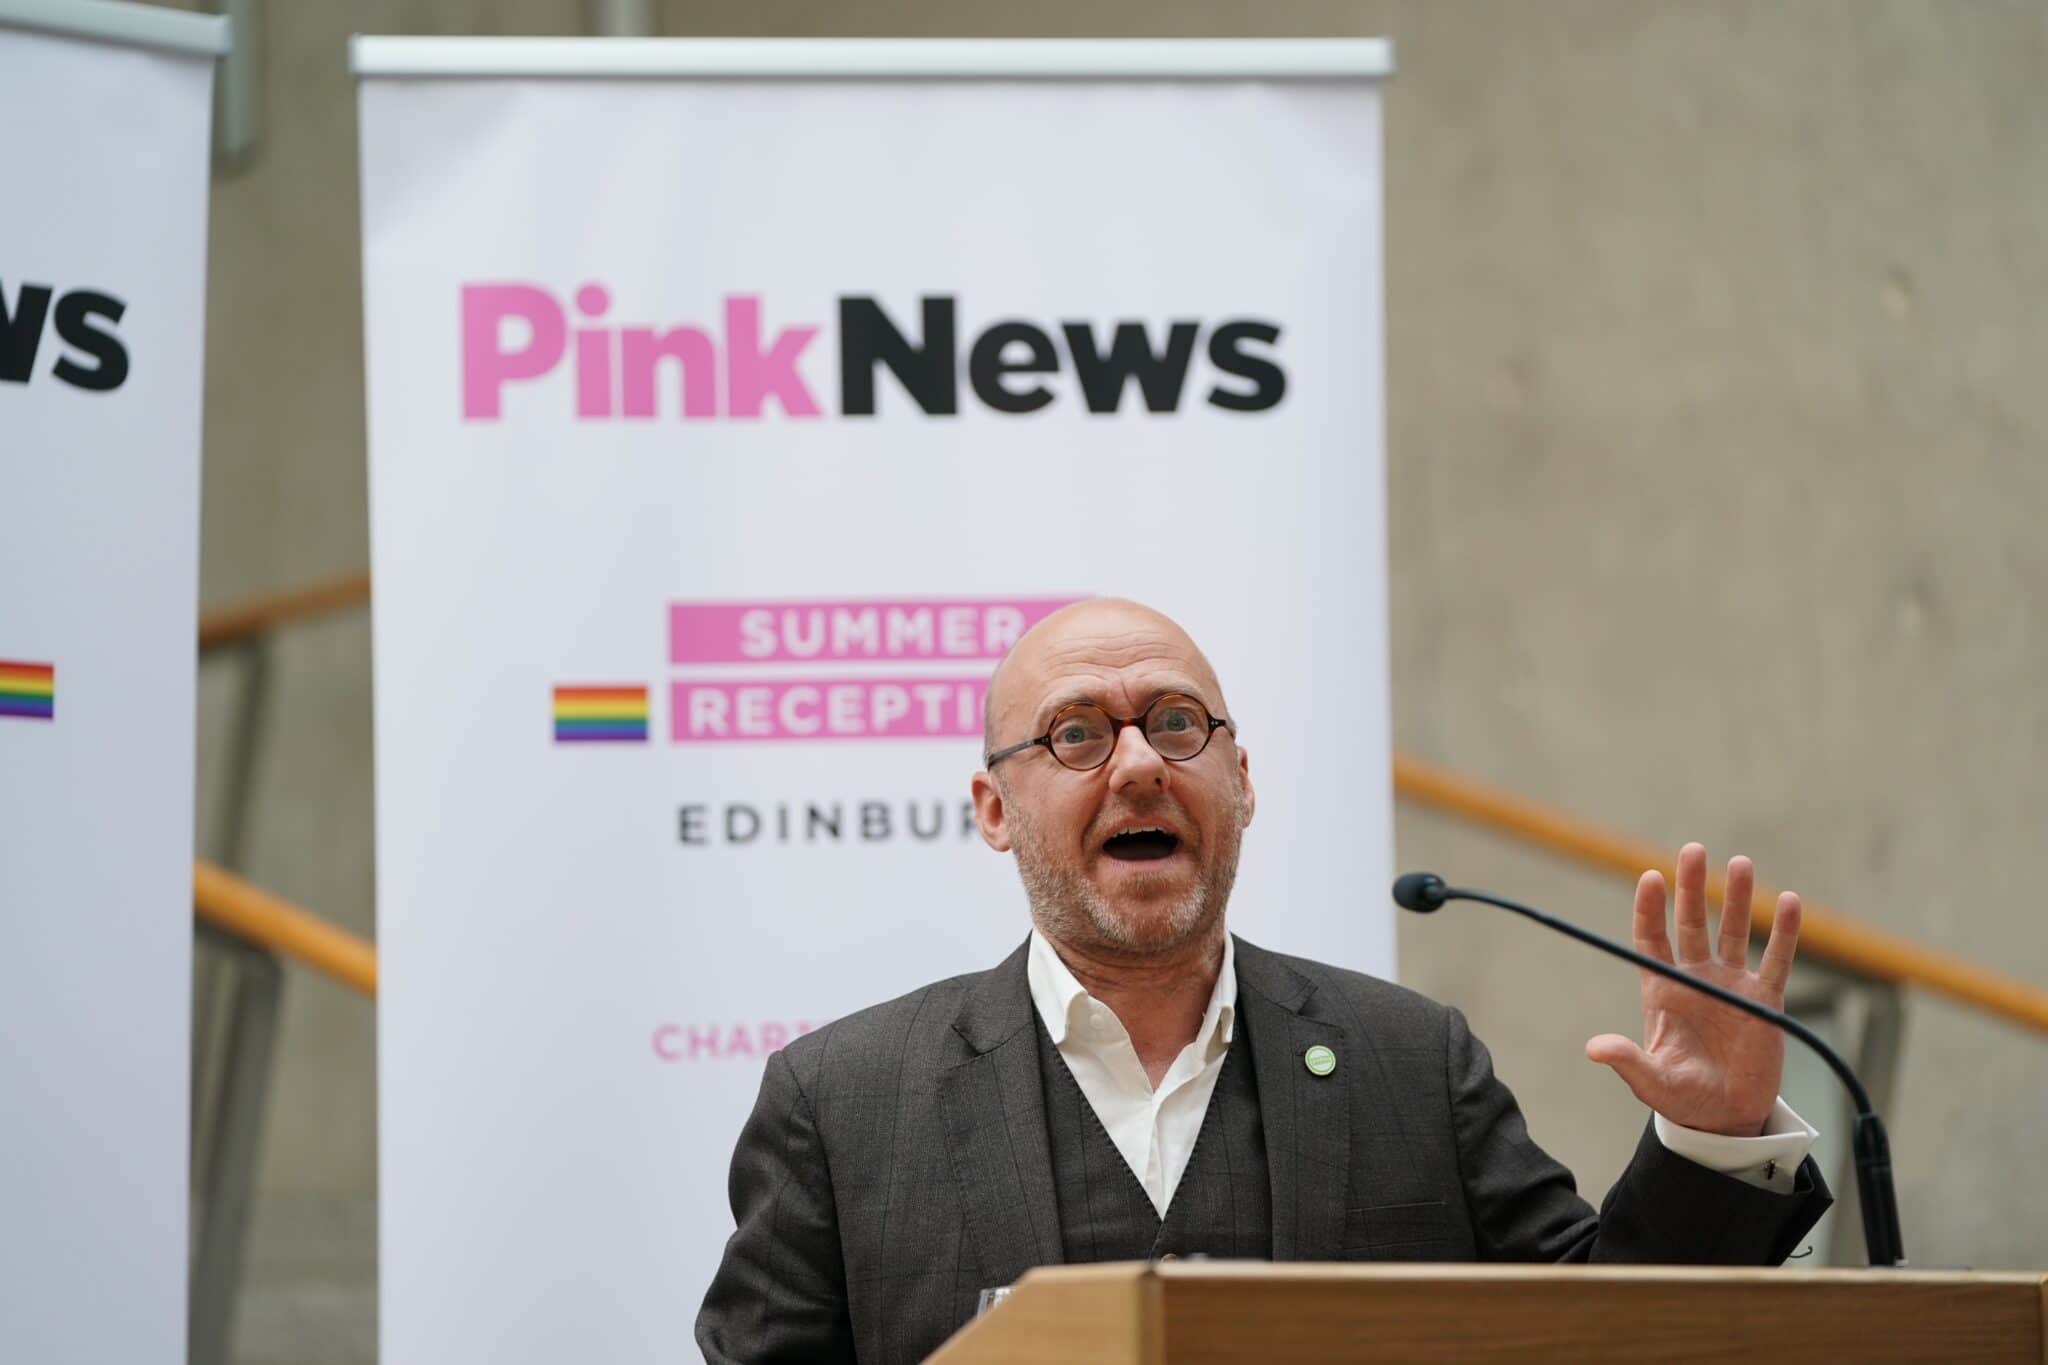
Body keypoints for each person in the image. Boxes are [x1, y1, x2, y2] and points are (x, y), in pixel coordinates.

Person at [696, 599, 1830, 1364]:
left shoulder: (1410, 1062)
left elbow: (1599, 1342)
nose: (1138, 761)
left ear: (1239, 782)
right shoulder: (838, 1103)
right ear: (995, 810)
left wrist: (1712, 1140)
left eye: (1176, 724)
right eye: (1077, 734)